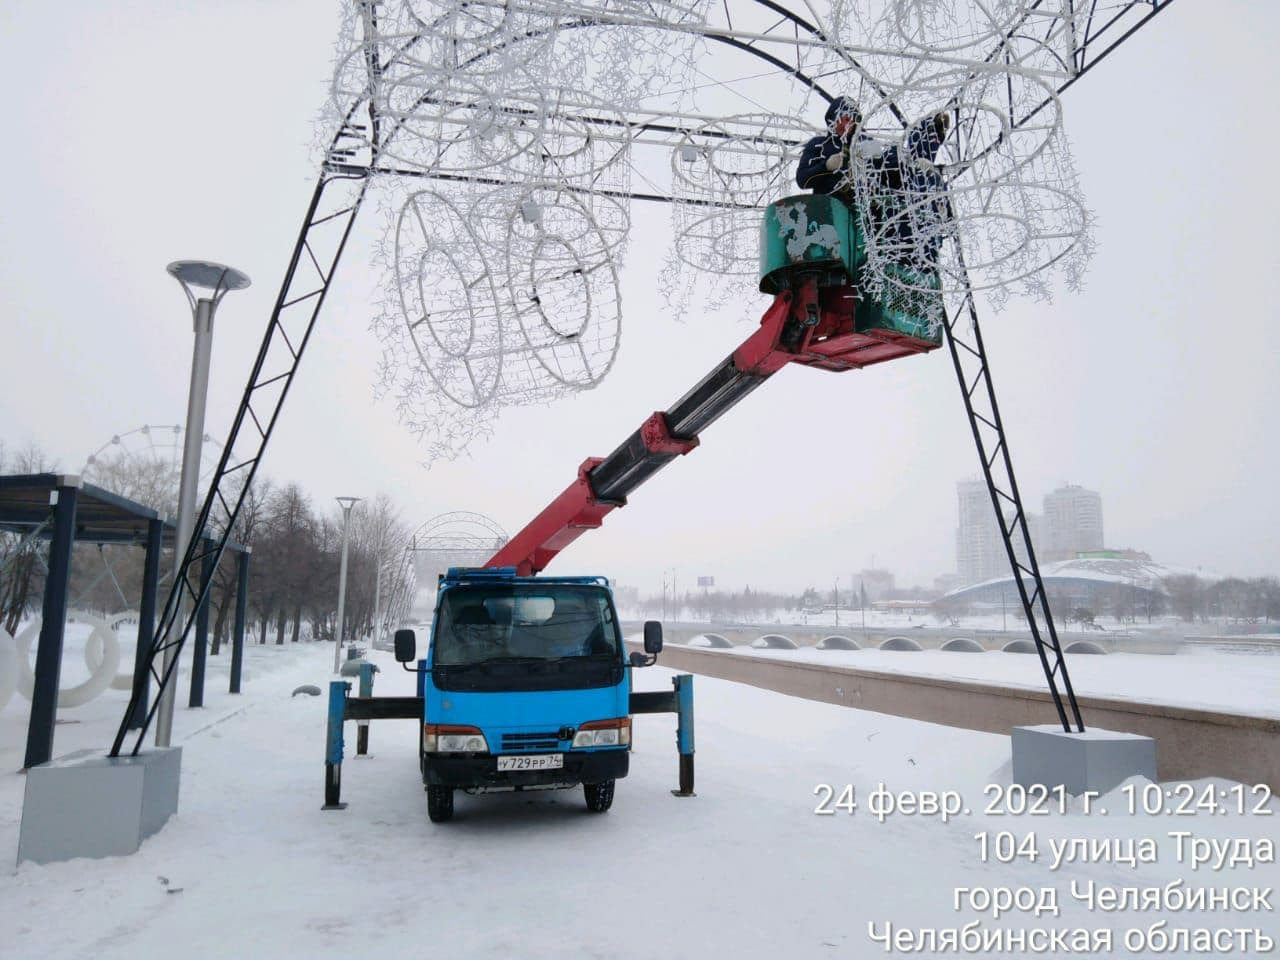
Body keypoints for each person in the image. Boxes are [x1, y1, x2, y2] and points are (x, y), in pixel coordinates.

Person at [796, 97, 951, 262]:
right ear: (833, 119)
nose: (847, 124)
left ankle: (927, 137)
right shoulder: (819, 145)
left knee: (905, 187)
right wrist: (826, 166)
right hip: (831, 214)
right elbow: (803, 179)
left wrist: (913, 164)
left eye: (852, 120)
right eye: (843, 119)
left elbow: (889, 173)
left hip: (868, 216)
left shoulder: (866, 145)